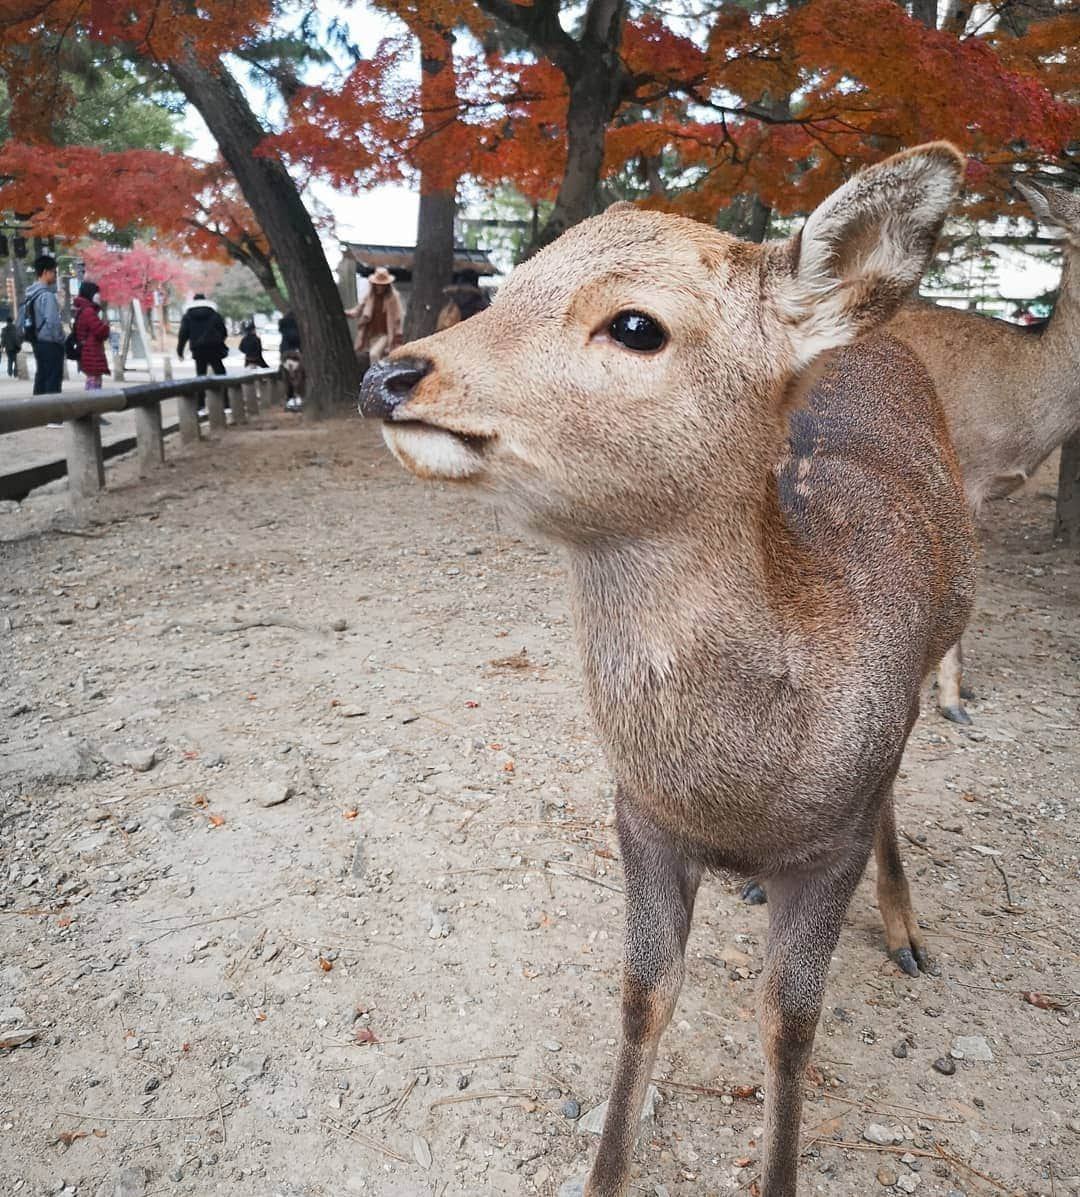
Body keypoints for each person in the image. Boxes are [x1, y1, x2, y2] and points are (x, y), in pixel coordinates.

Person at [23, 254, 65, 394]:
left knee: (41, 378)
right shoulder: (46, 295)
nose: (55, 275)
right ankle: (52, 414)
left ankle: (38, 413)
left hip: (38, 342)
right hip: (50, 344)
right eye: (54, 272)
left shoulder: (31, 294)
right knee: (52, 382)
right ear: (46, 272)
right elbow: (53, 323)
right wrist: (61, 340)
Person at [345, 267, 403, 364]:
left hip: (385, 335)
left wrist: (396, 339)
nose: (379, 287)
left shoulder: (393, 298)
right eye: (377, 285)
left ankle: (374, 378)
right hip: (372, 335)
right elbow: (358, 310)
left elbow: (396, 320)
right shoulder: (370, 297)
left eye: (382, 285)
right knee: (377, 358)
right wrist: (346, 313)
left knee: (374, 354)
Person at [72, 281, 111, 391]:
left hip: (87, 351)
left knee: (92, 381)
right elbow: (100, 331)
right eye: (96, 292)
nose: (99, 295)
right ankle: (91, 406)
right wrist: (106, 326)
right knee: (94, 384)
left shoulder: (82, 309)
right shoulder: (89, 311)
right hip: (92, 352)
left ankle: (90, 405)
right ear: (90, 293)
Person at [177, 293, 228, 376]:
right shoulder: (214, 315)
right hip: (214, 346)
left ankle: (203, 387)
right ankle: (224, 388)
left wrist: (180, 352)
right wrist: (219, 340)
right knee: (219, 370)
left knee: (201, 372)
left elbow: (183, 335)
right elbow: (223, 332)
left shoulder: (188, 316)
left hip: (198, 348)